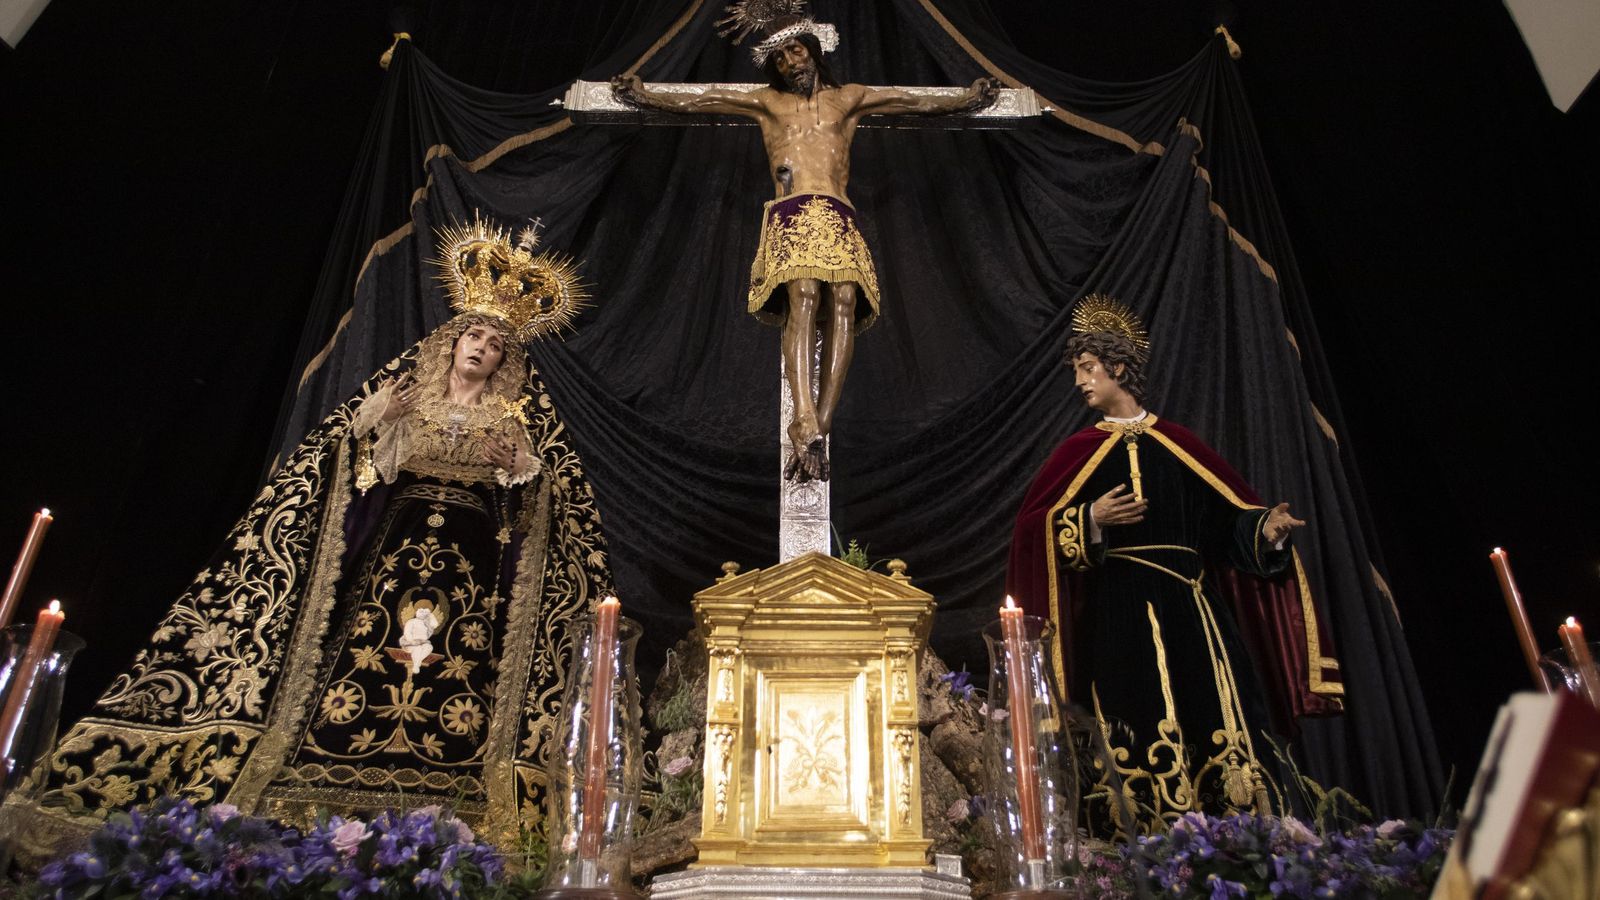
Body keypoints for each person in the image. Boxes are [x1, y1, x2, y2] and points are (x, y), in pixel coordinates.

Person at [15, 217, 611, 856]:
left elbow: (537, 503)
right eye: (474, 334)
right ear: (453, 340)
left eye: (495, 343)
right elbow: (356, 473)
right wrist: (382, 423)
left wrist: (514, 468)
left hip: (470, 563)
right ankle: (316, 775)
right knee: (365, 647)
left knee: (461, 664)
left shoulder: (511, 419)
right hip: (396, 548)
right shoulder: (403, 396)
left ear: (504, 361)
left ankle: (453, 792)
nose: (482, 347)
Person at [612, 8, 998, 481]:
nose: (789, 62)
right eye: (778, 58)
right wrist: (645, 94)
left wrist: (966, 100)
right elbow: (705, 100)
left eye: (795, 51)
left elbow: (911, 100)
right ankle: (803, 413)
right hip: (793, 210)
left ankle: (818, 426)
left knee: (844, 301)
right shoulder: (768, 104)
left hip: (837, 211)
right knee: (805, 295)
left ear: (813, 50)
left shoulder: (848, 100)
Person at [1005, 296, 1343, 836]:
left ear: (1117, 367)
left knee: (1213, 715)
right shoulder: (1076, 452)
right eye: (1076, 371)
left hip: (1193, 612)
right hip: (1119, 615)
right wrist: (1088, 517)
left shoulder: (1179, 444)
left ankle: (1235, 845)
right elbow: (1032, 531)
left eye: (1087, 368)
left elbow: (1226, 524)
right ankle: (1138, 850)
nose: (1079, 382)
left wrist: (1266, 531)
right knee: (1130, 719)